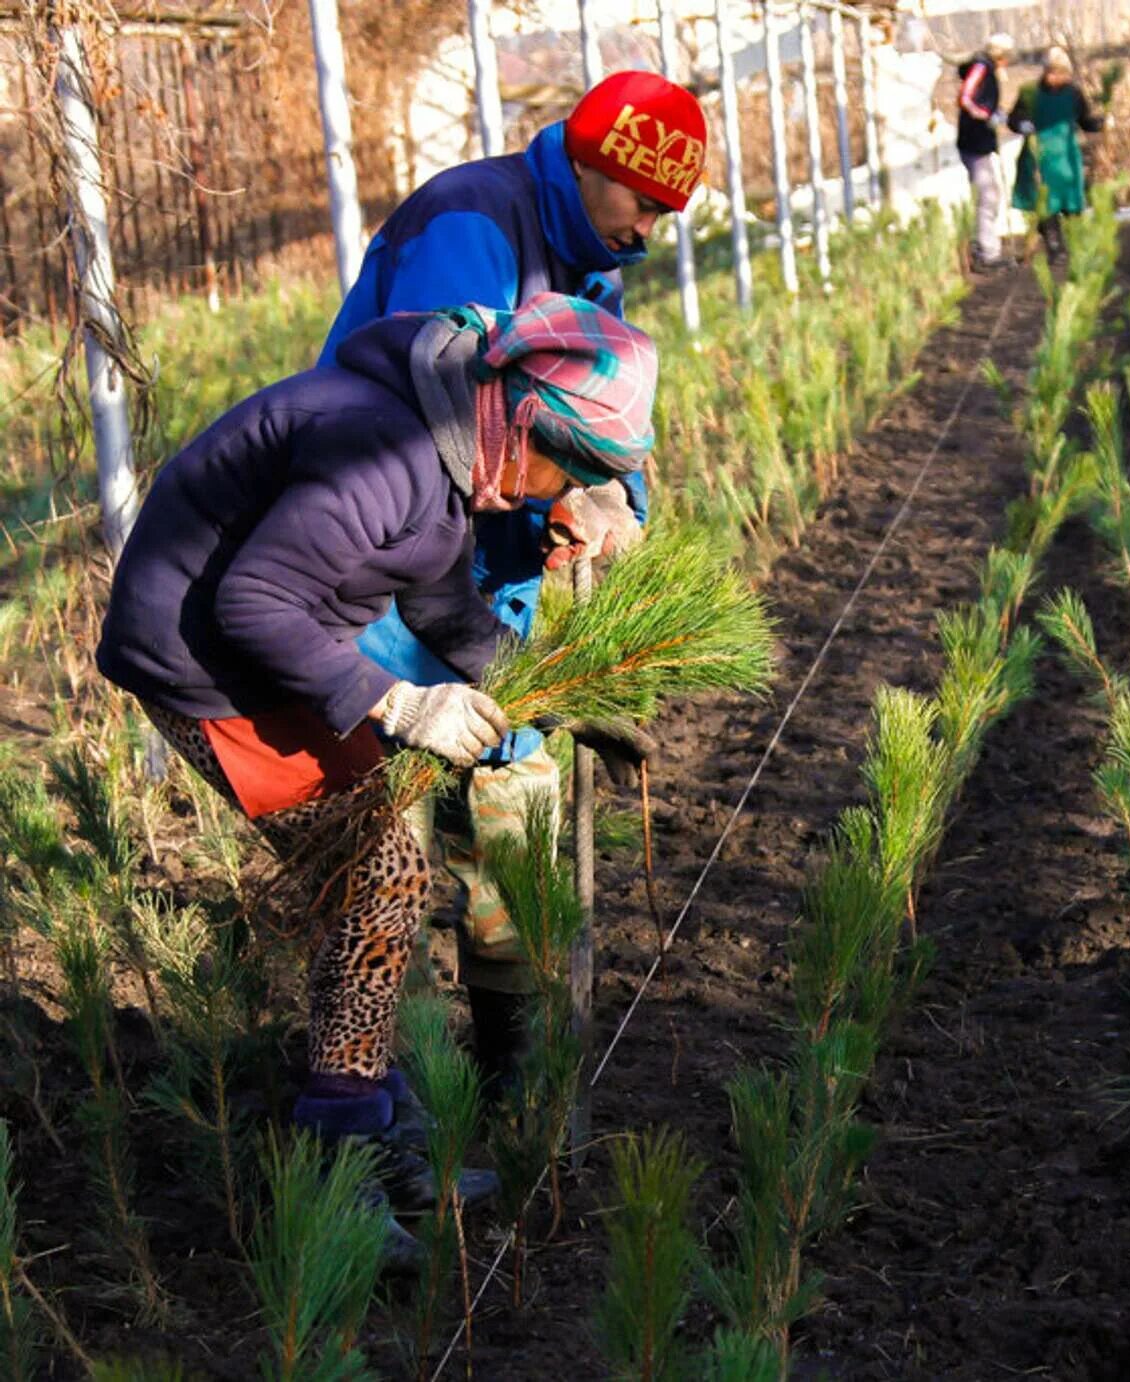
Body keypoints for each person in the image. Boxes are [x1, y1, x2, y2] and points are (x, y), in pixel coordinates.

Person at [97, 293, 659, 1260]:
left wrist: (544, 696)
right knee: (379, 875)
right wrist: (398, 706)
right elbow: (255, 600)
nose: (554, 492)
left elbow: (440, 604)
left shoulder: (453, 458)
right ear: (520, 417)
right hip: (204, 662)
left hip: (267, 648)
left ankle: (372, 1113)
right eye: (565, 463)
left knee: (375, 883)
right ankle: (335, 1163)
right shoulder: (387, 451)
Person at [319, 71, 707, 1083]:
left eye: (668, 213)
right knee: (385, 874)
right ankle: (386, 1130)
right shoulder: (468, 227)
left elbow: (596, 400)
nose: (650, 229)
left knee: (515, 855)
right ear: (587, 161)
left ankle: (513, 1105)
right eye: (642, 202)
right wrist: (548, 500)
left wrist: (611, 500)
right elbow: (437, 426)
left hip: (491, 596)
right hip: (383, 607)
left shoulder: (590, 258)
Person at [1010, 47, 1106, 261]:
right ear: (1045, 72)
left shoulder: (1073, 94)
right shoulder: (1030, 92)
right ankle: (1055, 248)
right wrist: (1022, 124)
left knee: (1072, 203)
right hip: (1039, 156)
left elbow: (1085, 120)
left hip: (1066, 156)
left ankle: (1081, 249)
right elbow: (1014, 119)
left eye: (1062, 73)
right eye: (1053, 72)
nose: (1057, 77)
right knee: (1047, 203)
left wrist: (1099, 122)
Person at [955, 33, 1015, 269]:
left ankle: (987, 247)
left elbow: (984, 100)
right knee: (988, 194)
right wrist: (986, 116)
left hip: (979, 141)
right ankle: (987, 252)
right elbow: (966, 97)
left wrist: (998, 114)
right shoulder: (981, 68)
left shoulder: (988, 71)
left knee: (990, 193)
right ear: (1001, 55)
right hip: (974, 142)